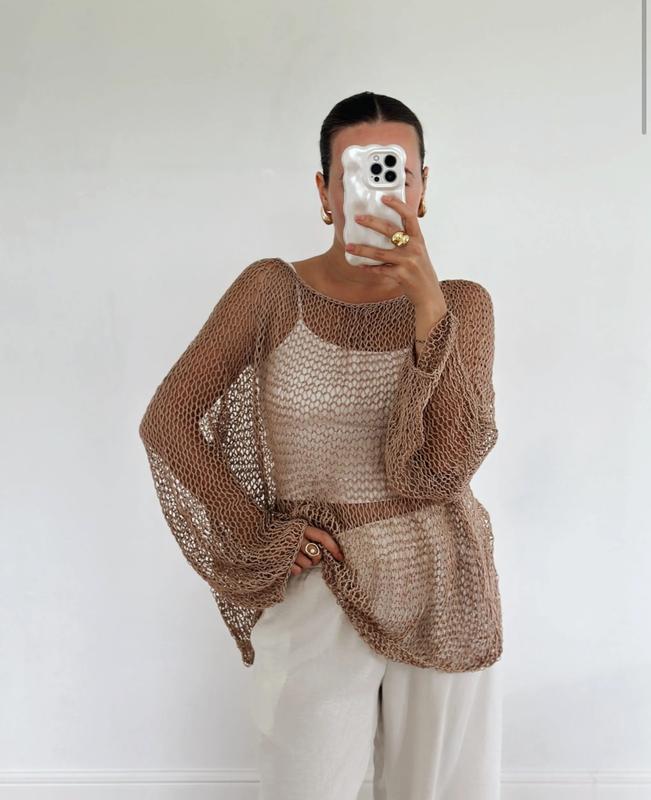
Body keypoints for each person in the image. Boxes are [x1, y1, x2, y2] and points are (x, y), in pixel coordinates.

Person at [139, 91, 504, 799]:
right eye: (355, 173)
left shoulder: (463, 305)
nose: (378, 190)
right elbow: (169, 419)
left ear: (422, 187)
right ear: (325, 192)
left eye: (396, 172)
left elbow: (448, 465)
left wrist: (428, 308)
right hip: (316, 586)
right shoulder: (272, 292)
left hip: (445, 585)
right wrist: (257, 531)